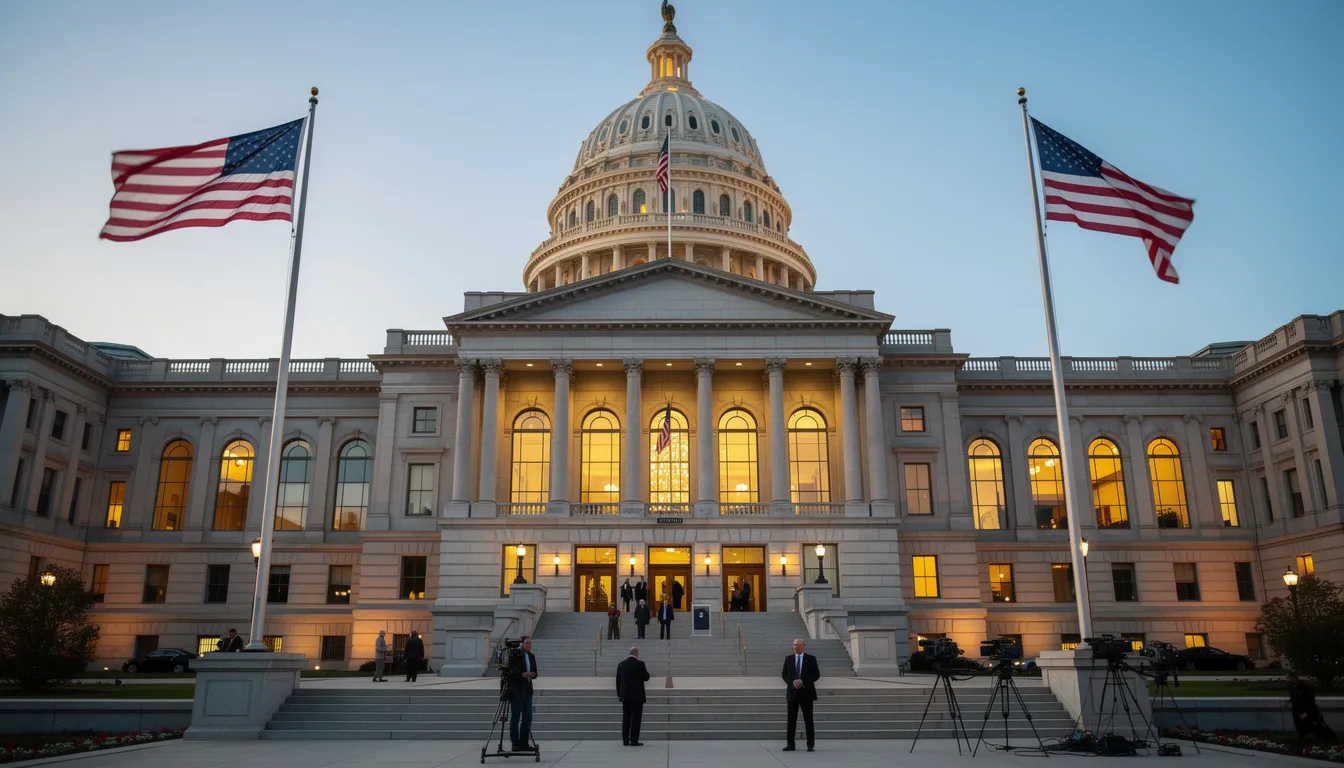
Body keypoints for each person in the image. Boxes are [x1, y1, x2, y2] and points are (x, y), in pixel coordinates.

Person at [782, 638, 820, 752]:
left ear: (804, 646)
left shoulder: (811, 659)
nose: (796, 647)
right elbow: (784, 674)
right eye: (794, 645)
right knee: (791, 720)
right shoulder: (788, 659)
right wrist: (792, 682)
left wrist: (803, 681)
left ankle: (810, 744)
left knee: (808, 719)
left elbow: (816, 675)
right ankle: (790, 744)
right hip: (792, 693)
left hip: (806, 693)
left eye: (798, 645)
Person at [1288, 671, 1338, 742]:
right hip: (1297, 714)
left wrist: (1307, 712)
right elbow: (1294, 698)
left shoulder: (1305, 688)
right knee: (1301, 733)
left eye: (1288, 678)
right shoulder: (1291, 687)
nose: (1286, 680)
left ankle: (1331, 740)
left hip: (1308, 714)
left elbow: (1311, 702)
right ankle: (1304, 744)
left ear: (1294, 677)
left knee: (1317, 729)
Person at [616, 646, 650, 746]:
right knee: (636, 719)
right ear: (636, 653)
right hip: (637, 697)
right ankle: (634, 740)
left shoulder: (621, 664)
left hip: (625, 696)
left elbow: (618, 681)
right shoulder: (639, 664)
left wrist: (620, 694)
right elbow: (646, 677)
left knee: (626, 718)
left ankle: (625, 740)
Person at [508, 636, 538, 752]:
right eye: (527, 643)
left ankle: (524, 742)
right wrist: (522, 675)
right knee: (515, 717)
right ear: (522, 644)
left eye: (530, 643)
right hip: (516, 690)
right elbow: (511, 673)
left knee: (528, 717)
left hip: (528, 689)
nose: (529, 645)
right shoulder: (515, 656)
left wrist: (533, 674)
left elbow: (536, 672)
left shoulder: (531, 656)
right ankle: (515, 743)